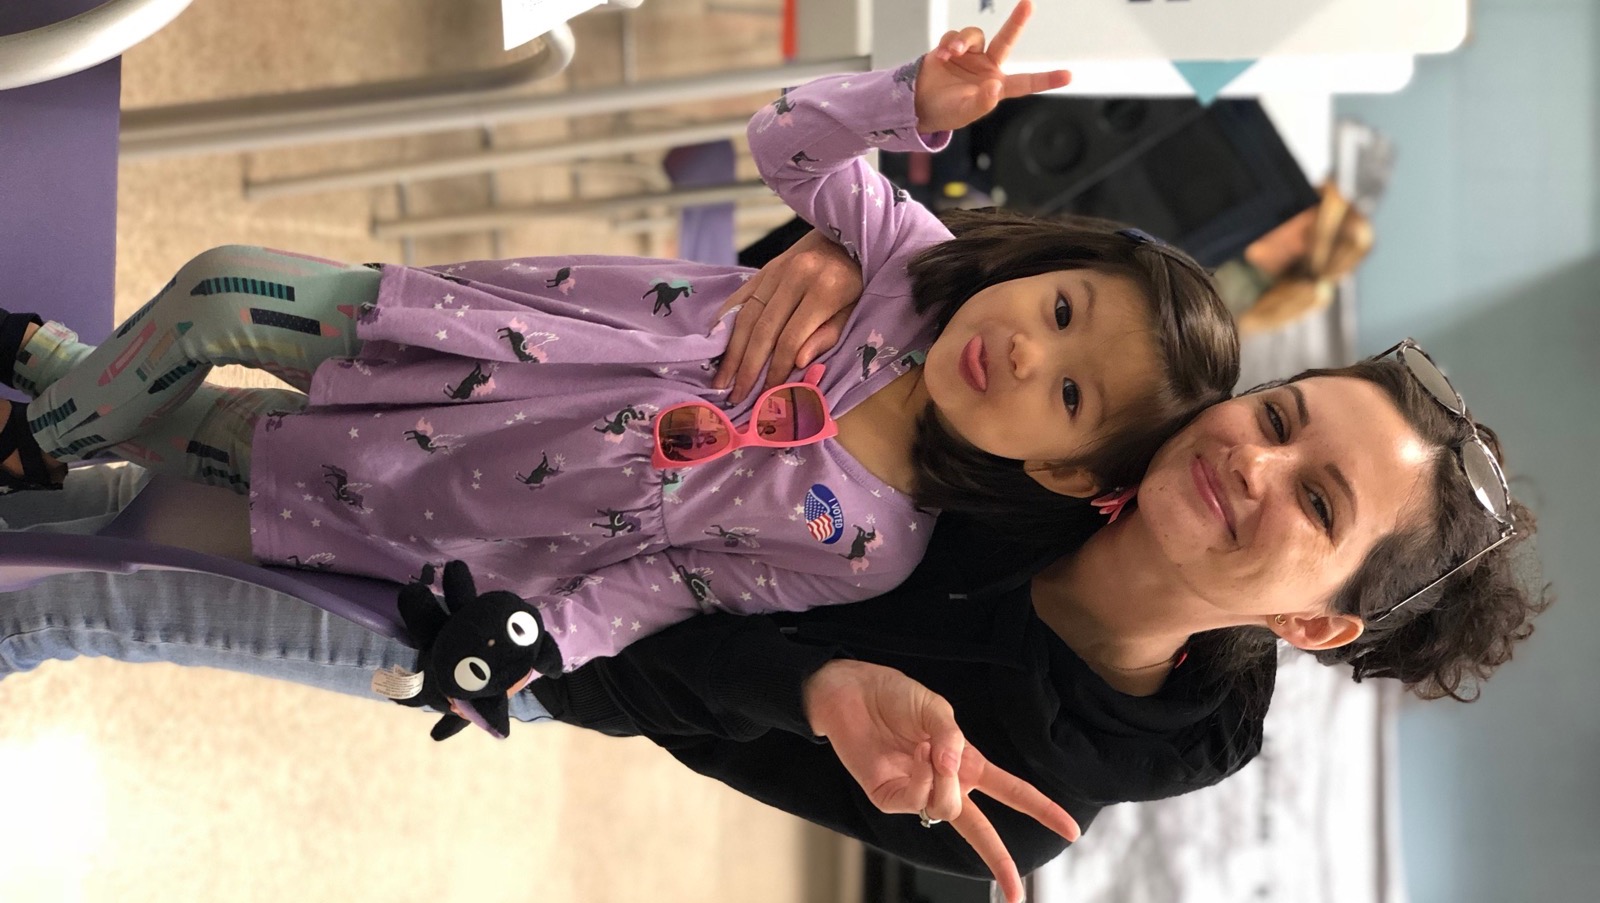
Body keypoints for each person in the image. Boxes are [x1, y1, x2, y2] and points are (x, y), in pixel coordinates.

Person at [0, 2, 1234, 677]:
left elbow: (667, 587)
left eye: (1071, 396)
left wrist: (537, 641)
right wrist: (906, 103)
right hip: (463, 337)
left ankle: (44, 373)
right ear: (1044, 265)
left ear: (1062, 470)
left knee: (198, 441)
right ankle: (33, 440)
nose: (1026, 355)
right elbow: (786, 143)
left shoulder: (871, 552)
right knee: (225, 290)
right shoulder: (905, 264)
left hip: (431, 499)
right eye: (1060, 311)